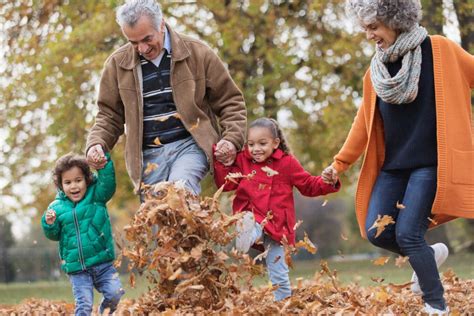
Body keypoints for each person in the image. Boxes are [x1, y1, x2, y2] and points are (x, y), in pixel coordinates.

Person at [322, 0, 474, 314]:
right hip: (394, 168)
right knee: (378, 231)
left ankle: (436, 305)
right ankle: (428, 257)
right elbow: (362, 125)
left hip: (431, 164)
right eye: (365, 28)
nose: (369, 35)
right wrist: (339, 164)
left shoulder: (441, 50)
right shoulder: (375, 73)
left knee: (408, 233)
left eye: (374, 27)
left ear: (396, 19)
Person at [86, 0, 246, 196]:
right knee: (157, 217)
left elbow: (230, 101)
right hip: (147, 157)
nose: (142, 49)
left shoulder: (197, 52)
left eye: (147, 39)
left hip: (190, 146)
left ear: (161, 24)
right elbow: (109, 116)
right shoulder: (117, 65)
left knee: (179, 193)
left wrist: (232, 138)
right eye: (133, 42)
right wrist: (96, 143)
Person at [214, 118, 341, 301]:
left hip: (278, 225)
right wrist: (221, 163)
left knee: (278, 268)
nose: (256, 149)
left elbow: (308, 185)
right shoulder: (243, 161)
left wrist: (329, 181)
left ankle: (282, 303)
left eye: (262, 143)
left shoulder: (287, 163)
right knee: (252, 223)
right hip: (252, 214)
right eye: (251, 144)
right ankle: (246, 234)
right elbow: (226, 183)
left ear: (275, 143)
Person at [41, 153, 124, 315]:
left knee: (115, 294)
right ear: (60, 185)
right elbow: (53, 235)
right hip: (77, 268)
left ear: (87, 179)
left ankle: (104, 312)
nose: (74, 186)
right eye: (68, 182)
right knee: (84, 305)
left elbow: (108, 183)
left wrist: (103, 162)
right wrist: (49, 224)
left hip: (103, 264)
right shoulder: (56, 207)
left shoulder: (96, 196)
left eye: (78, 180)